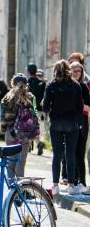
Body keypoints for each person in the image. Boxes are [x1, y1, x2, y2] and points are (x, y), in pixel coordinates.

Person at [42, 60, 83, 196]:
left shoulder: (51, 86)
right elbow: (80, 107)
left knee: (57, 155)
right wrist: (78, 121)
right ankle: (71, 186)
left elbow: (46, 107)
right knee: (70, 154)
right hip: (72, 123)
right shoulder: (76, 85)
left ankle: (55, 186)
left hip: (56, 123)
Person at [0, 74, 38, 179]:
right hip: (25, 134)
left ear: (12, 84)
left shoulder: (7, 97)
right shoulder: (31, 97)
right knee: (21, 162)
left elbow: (4, 117)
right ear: (26, 84)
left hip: (11, 132)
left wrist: (4, 130)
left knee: (11, 160)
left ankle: (12, 187)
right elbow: (35, 114)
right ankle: (20, 189)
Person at [70, 62, 90, 195]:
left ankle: (81, 182)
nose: (77, 73)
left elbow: (88, 108)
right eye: (74, 70)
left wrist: (75, 104)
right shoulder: (67, 86)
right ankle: (74, 181)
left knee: (79, 153)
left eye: (79, 71)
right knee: (70, 154)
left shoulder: (83, 87)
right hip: (69, 123)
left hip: (81, 122)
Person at [27, 63, 48, 154]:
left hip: (29, 109)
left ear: (28, 71)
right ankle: (39, 143)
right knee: (40, 127)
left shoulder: (27, 83)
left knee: (29, 128)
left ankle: (34, 144)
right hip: (40, 109)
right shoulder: (42, 83)